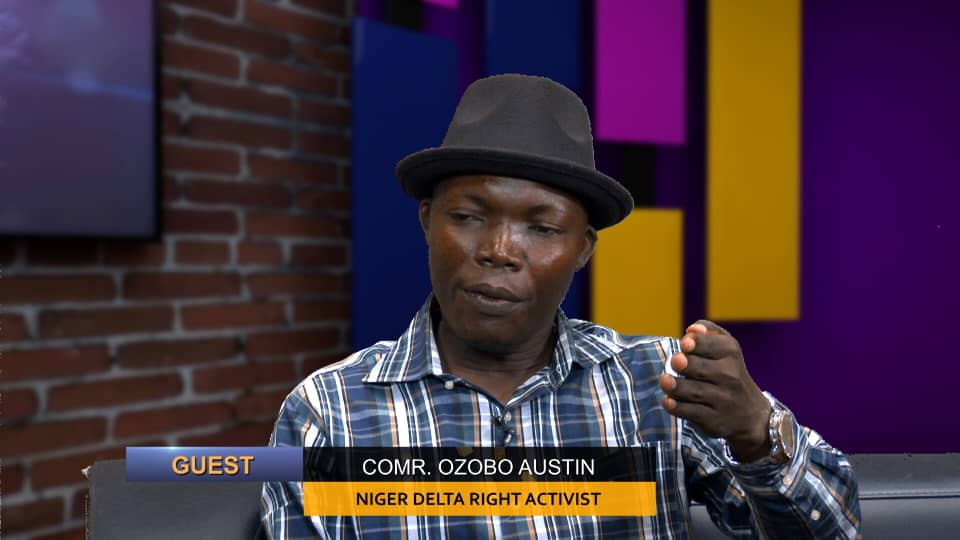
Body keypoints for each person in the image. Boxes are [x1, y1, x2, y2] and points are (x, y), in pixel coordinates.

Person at [260, 74, 860, 539]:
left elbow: (831, 531)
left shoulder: (658, 385)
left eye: (542, 228)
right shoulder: (330, 412)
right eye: (467, 217)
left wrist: (757, 431)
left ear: (582, 249)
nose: (499, 250)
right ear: (427, 221)